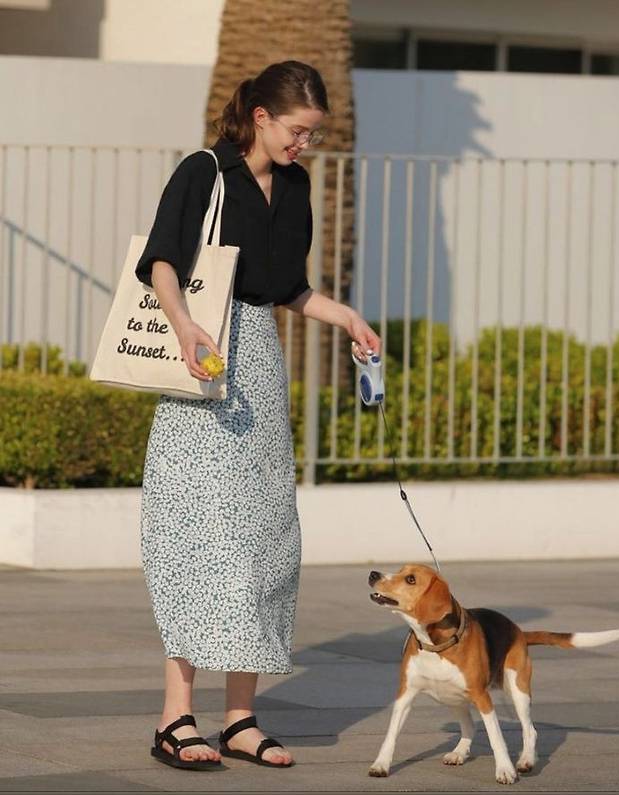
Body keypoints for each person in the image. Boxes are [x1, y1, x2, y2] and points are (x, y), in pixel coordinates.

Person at [135, 60, 381, 771]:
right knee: (197, 535)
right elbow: (161, 260)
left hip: (261, 369)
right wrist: (184, 325)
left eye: (313, 135)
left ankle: (240, 719)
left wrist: (346, 317)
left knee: (265, 537)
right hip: (203, 358)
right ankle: (175, 717)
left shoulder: (295, 187)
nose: (304, 144)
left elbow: (288, 289)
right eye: (298, 131)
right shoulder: (204, 173)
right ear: (261, 116)